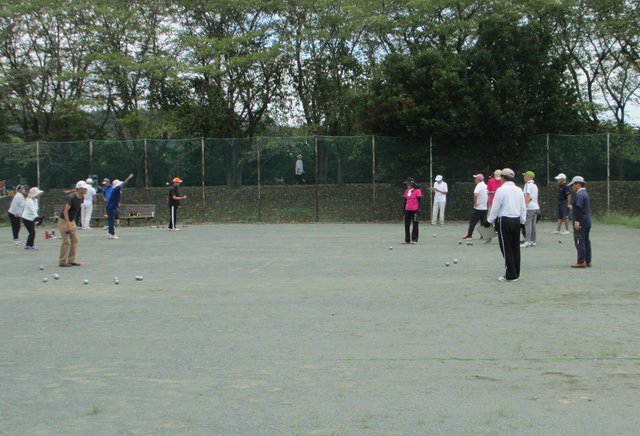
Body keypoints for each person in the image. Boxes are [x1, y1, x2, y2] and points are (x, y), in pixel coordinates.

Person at [484, 168, 526, 282]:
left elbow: (495, 208)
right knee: (515, 248)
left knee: (506, 248)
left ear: (503, 178)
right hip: (516, 220)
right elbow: (523, 208)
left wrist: (489, 221)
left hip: (505, 221)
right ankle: (516, 273)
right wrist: (522, 222)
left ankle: (510, 275)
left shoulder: (500, 190)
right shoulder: (519, 190)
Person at [58, 180, 87, 267]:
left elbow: (75, 191)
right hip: (64, 220)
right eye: (84, 188)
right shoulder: (71, 198)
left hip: (71, 220)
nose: (86, 190)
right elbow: (65, 212)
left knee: (75, 240)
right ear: (79, 189)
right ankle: (62, 261)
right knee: (66, 241)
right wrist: (69, 226)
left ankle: (72, 260)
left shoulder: (81, 196)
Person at [569, 176, 592, 268]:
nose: (572, 187)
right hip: (586, 221)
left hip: (580, 221)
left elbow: (579, 208)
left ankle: (581, 261)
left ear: (578, 184)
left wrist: (577, 221)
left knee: (579, 240)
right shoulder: (585, 193)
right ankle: (588, 260)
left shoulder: (579, 194)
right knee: (586, 241)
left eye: (573, 185)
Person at [106, 174, 134, 239]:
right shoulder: (117, 189)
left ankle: (110, 233)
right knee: (112, 221)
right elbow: (123, 184)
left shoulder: (115, 190)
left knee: (110, 221)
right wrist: (128, 178)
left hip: (110, 207)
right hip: (111, 207)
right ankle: (113, 234)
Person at [462, 174, 488, 240]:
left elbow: (475, 195)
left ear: (478, 180)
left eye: (475, 178)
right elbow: (488, 196)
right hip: (484, 208)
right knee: (483, 222)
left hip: (478, 208)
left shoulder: (478, 186)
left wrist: (475, 203)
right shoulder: (486, 186)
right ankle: (484, 236)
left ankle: (469, 236)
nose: (474, 180)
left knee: (472, 222)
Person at [521, 170, 540, 247]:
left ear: (529, 177)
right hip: (536, 207)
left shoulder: (528, 185)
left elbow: (527, 195)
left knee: (527, 224)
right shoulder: (534, 185)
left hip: (530, 207)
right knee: (533, 225)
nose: (524, 177)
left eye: (525, 176)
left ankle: (527, 241)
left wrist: (524, 206)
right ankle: (533, 241)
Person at [402, 177, 422, 244]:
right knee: (406, 225)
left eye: (408, 184)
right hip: (407, 210)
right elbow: (405, 201)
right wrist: (404, 211)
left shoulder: (417, 191)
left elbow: (419, 201)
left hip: (415, 210)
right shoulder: (406, 191)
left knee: (415, 225)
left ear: (412, 184)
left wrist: (418, 210)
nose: (407, 185)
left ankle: (414, 239)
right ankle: (407, 240)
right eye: (407, 184)